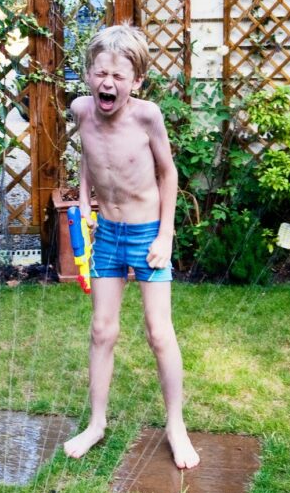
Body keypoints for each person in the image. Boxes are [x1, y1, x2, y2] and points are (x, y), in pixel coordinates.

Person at [62, 24, 200, 470]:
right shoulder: (81, 110)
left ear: (136, 81)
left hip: (146, 235)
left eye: (119, 76)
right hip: (107, 235)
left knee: (159, 332)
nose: (108, 83)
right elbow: (89, 152)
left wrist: (165, 235)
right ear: (87, 75)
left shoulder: (147, 116)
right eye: (100, 73)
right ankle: (97, 423)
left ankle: (176, 427)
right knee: (102, 330)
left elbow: (169, 174)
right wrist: (83, 199)